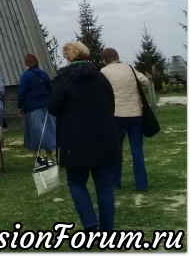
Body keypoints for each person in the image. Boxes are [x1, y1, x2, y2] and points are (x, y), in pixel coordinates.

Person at [48, 41, 121, 233]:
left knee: (76, 182)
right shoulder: (101, 78)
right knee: (104, 185)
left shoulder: (63, 81)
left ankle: (90, 223)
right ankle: (107, 230)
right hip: (103, 136)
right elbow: (111, 104)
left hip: (75, 139)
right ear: (86, 55)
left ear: (68, 57)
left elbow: (54, 108)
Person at [101, 47, 150, 192]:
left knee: (116, 150)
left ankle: (115, 182)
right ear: (117, 56)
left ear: (104, 59)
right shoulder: (129, 68)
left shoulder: (104, 72)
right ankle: (142, 184)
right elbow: (145, 81)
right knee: (137, 150)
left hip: (117, 115)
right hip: (135, 113)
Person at [17, 53, 56, 168]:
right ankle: (49, 158)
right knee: (48, 131)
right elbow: (51, 89)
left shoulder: (25, 76)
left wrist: (20, 106)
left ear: (26, 63)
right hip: (46, 106)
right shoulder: (44, 74)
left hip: (32, 107)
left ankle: (39, 158)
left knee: (33, 133)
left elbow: (22, 93)